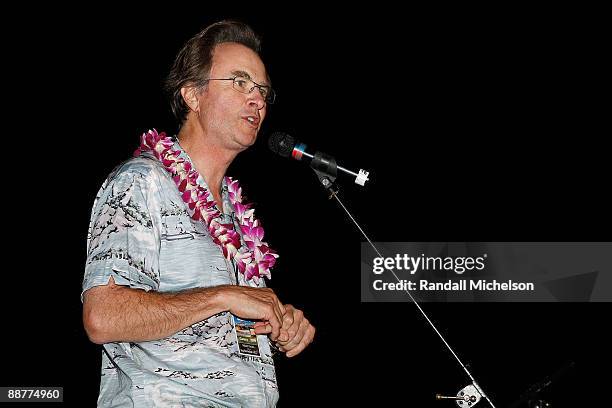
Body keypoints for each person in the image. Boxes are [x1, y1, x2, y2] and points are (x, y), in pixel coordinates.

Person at [82, 20, 315, 407]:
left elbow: (222, 326)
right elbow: (103, 316)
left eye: (262, 90)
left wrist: (279, 323)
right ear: (192, 93)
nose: (257, 99)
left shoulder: (236, 217)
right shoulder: (142, 183)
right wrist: (224, 296)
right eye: (239, 82)